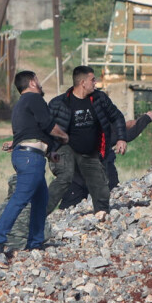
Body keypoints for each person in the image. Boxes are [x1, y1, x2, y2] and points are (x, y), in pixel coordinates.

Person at [0, 70, 68, 255]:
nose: (40, 84)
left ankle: (36, 243)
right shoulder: (34, 98)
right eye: (37, 80)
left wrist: (50, 152)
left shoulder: (21, 105)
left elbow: (33, 132)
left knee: (41, 200)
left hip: (31, 156)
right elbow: (48, 125)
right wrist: (64, 136)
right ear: (32, 83)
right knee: (20, 199)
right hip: (30, 158)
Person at [45, 66, 127, 215]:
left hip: (90, 150)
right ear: (83, 82)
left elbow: (117, 117)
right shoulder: (59, 103)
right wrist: (47, 149)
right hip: (65, 147)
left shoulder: (99, 99)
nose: (96, 83)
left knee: (100, 185)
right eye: (93, 80)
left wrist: (121, 138)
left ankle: (102, 214)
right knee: (66, 176)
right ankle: (40, 214)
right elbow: (45, 127)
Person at [59, 111, 152, 210]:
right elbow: (128, 134)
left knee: (112, 196)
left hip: (92, 175)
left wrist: (143, 119)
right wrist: (147, 118)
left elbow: (126, 128)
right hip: (81, 178)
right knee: (69, 208)